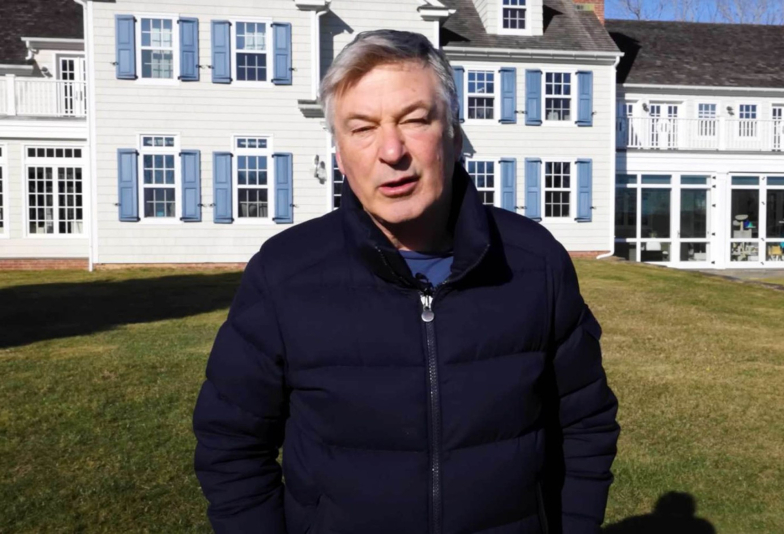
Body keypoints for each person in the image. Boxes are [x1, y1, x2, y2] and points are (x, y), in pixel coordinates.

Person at [193, 29, 619, 534]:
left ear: (454, 135)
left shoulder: (535, 262)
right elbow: (231, 445)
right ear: (339, 154)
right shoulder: (283, 273)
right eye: (362, 128)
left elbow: (584, 424)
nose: (391, 150)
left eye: (415, 120)